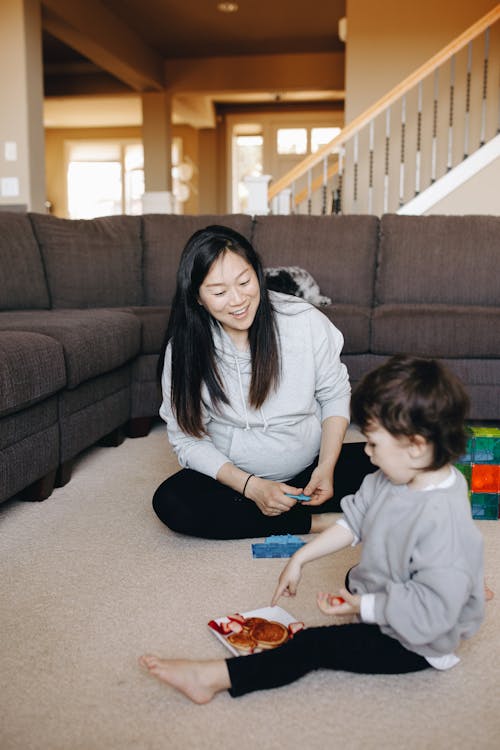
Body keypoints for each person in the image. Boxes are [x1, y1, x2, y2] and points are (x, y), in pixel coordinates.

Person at [139, 355, 485, 703]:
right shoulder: (393, 477)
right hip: (407, 591)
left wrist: (366, 607)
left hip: (420, 639)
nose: (367, 452)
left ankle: (212, 678)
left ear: (415, 447)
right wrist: (300, 559)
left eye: (374, 444)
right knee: (358, 575)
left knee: (312, 645)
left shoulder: (442, 521)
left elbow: (430, 614)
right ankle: (454, 584)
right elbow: (353, 520)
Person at [152, 225, 374, 540]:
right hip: (237, 483)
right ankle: (311, 522)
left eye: (244, 282)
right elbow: (188, 440)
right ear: (197, 298)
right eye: (218, 292)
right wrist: (252, 487)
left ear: (257, 273)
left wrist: (326, 466)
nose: (238, 300)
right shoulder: (185, 349)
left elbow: (334, 393)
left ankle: (291, 508)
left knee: (409, 461)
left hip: (312, 470)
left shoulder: (304, 321)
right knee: (173, 503)